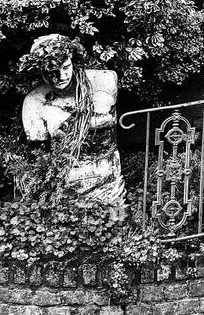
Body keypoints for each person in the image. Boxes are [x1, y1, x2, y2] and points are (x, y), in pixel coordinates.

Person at [19, 34, 126, 216]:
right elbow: (38, 149)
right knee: (71, 229)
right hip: (68, 178)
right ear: (40, 72)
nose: (61, 76)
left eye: (66, 67)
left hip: (107, 173)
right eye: (51, 71)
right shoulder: (34, 102)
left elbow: (106, 116)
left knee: (115, 224)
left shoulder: (102, 81)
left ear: (73, 60)